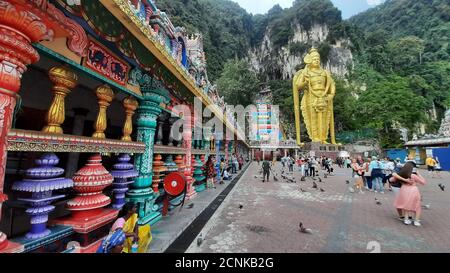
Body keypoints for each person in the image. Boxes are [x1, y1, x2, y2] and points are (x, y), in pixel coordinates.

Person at [393, 162, 427, 226]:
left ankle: (406, 219)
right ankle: (416, 221)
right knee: (417, 205)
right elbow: (423, 182)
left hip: (404, 190)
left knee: (406, 204)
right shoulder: (413, 175)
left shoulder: (401, 174)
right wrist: (419, 174)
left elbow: (392, 179)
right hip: (413, 190)